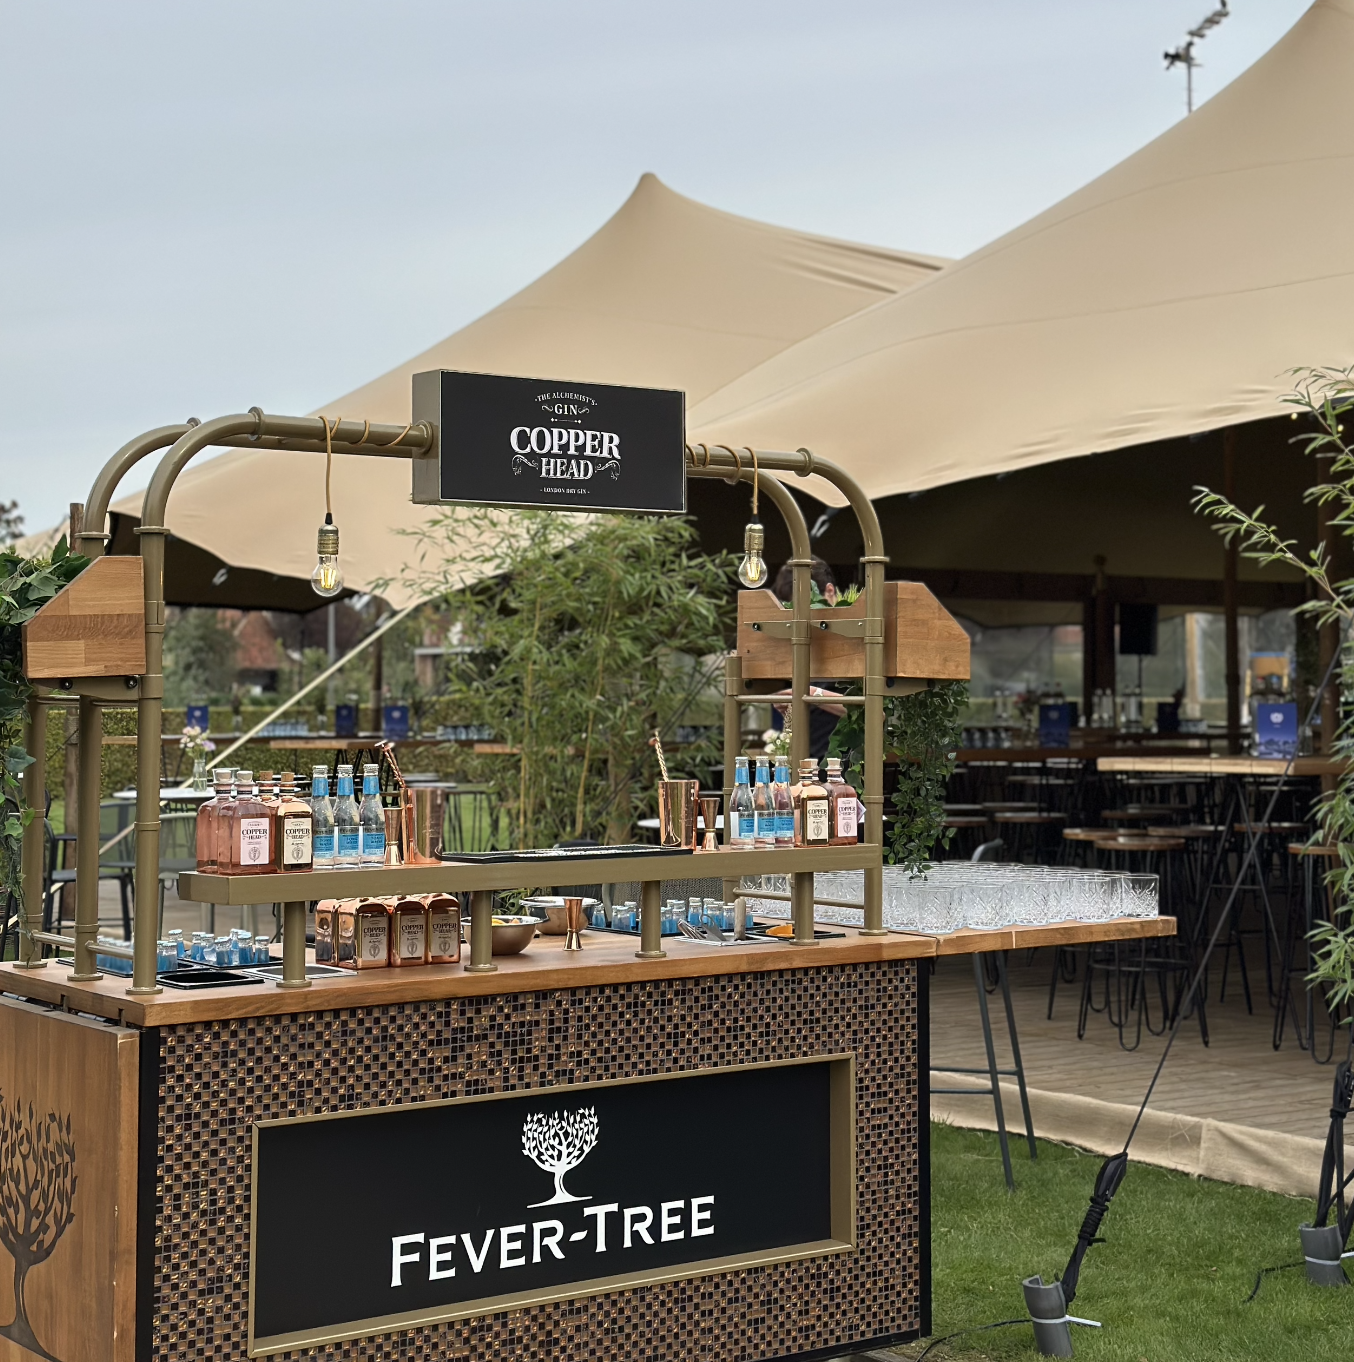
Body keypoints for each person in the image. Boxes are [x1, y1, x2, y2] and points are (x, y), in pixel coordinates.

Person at [769, 557, 846, 757]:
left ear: (829, 592)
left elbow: (877, 713)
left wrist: (811, 694)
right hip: (807, 768)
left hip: (848, 771)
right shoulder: (806, 644)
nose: (801, 621)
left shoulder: (860, 640)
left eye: (806, 609)